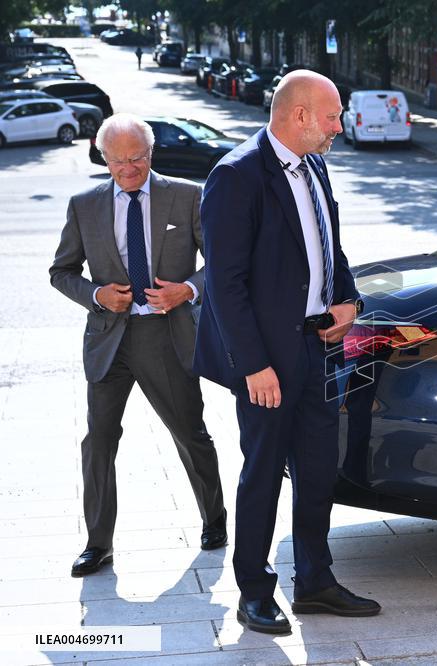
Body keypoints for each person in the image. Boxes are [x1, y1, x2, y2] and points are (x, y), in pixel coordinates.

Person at [194, 70, 380, 635]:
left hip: (317, 347)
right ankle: (253, 590)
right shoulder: (237, 175)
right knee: (263, 472)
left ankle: (316, 582)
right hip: (266, 361)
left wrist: (348, 300)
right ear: (299, 115)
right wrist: (253, 365)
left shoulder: (316, 164)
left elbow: (328, 243)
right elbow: (225, 284)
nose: (338, 126)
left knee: (319, 469)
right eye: (331, 116)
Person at [50, 113, 227, 578]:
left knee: (189, 433)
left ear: (151, 153)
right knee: (99, 442)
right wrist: (95, 295)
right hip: (109, 340)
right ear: (103, 157)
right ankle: (98, 543)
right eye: (117, 161)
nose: (128, 170)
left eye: (137, 159)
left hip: (166, 336)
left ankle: (214, 519)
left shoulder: (187, 195)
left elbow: (222, 263)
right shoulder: (83, 204)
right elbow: (61, 271)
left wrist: (186, 290)